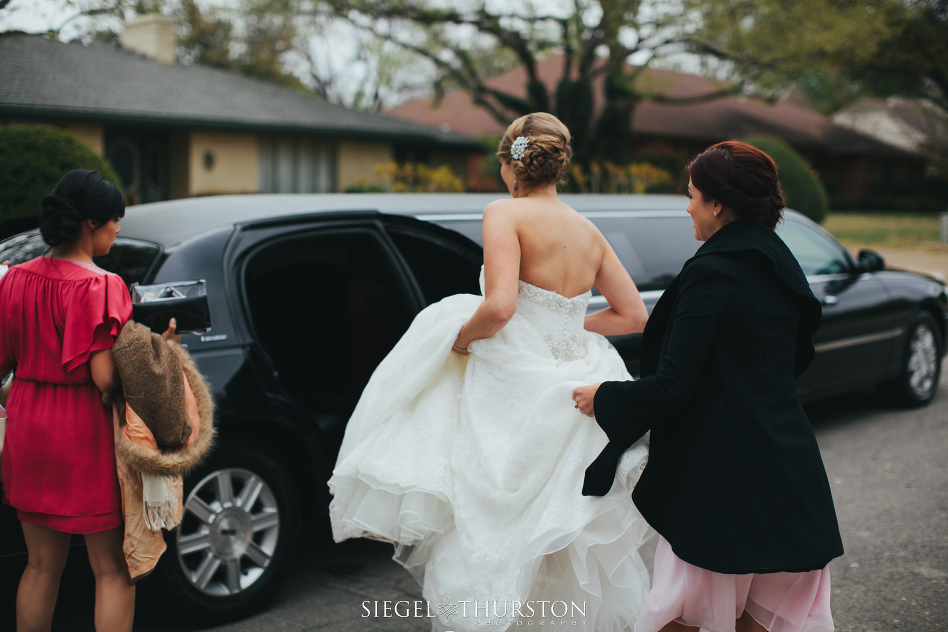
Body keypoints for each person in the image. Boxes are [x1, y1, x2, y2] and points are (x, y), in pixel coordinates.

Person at [329, 113, 652, 631]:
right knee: (560, 534)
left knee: (492, 522)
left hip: (518, 389)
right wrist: (565, 322)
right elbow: (633, 315)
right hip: (576, 385)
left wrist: (459, 338)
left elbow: (499, 307)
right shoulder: (587, 230)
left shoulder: (504, 213)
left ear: (511, 162)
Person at [573, 141, 843, 632]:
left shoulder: (713, 271)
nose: (687, 205)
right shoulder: (782, 263)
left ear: (718, 203)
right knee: (762, 620)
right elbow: (794, 359)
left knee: (683, 617)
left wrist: (605, 397)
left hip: (722, 482)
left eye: (693, 194)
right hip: (790, 471)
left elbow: (674, 384)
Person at [0, 170, 177, 632]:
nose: (119, 229)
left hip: (27, 429)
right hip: (82, 437)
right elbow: (103, 378)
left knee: (40, 566)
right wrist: (156, 350)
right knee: (112, 570)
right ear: (90, 223)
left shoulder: (13, 280)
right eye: (115, 219)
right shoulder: (101, 286)